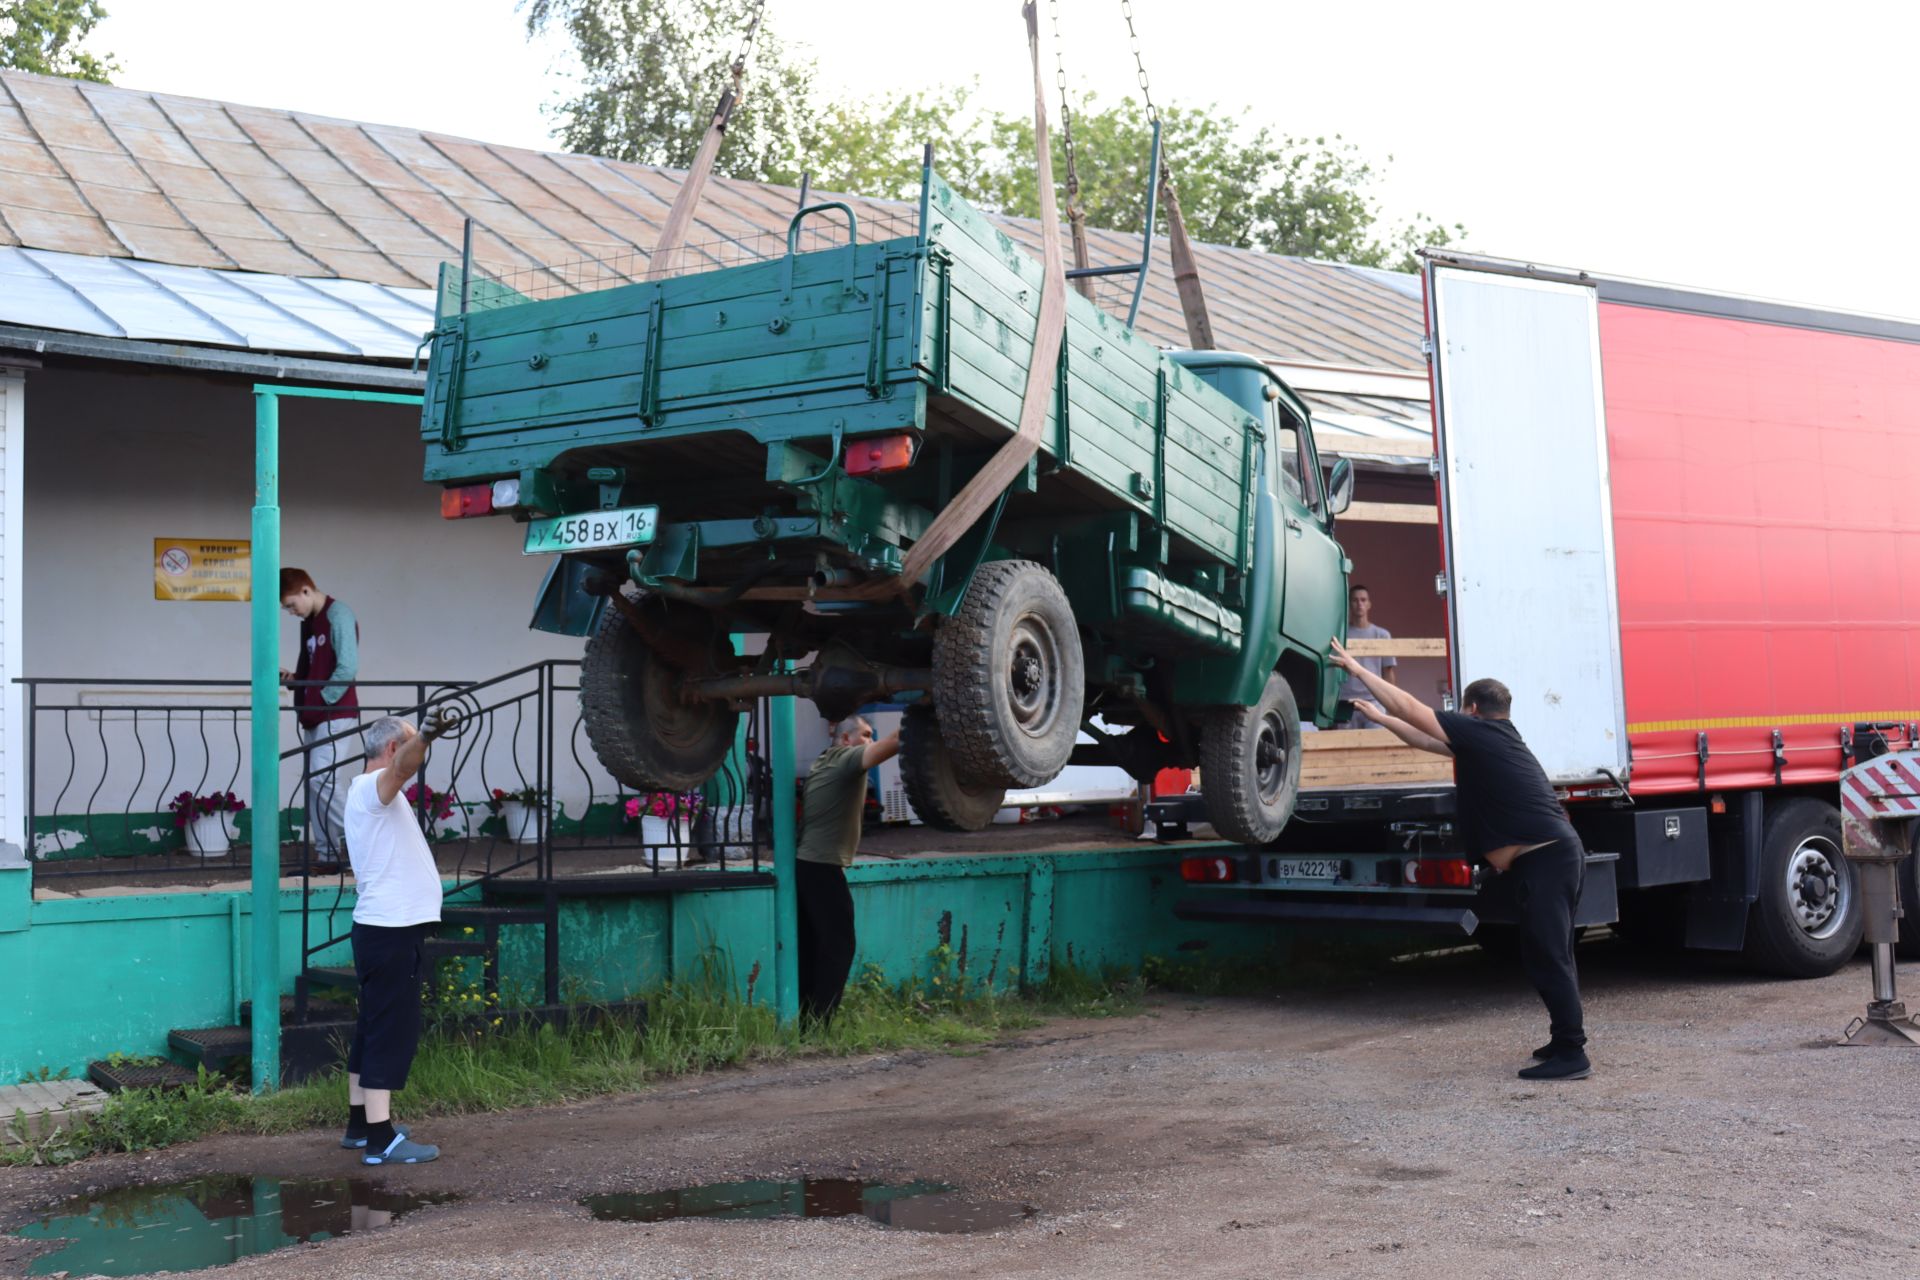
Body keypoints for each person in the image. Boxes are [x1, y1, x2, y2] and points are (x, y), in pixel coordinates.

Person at [1329, 638, 1592, 1082]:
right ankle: (1563, 1039)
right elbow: (1422, 737)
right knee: (1545, 953)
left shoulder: (1479, 733)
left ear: (1470, 709)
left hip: (1549, 860)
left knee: (1549, 955)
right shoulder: (1491, 738)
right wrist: (1379, 717)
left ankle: (1573, 1052)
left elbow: (1416, 710)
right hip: (1548, 859)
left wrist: (1359, 668)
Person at [342, 712, 451, 1164]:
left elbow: (403, 768)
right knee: (390, 1031)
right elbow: (404, 767)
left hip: (381, 929)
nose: (419, 755)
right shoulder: (374, 787)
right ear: (392, 749)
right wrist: (424, 733)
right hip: (389, 931)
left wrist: (421, 737)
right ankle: (381, 1138)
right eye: (409, 746)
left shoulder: (366, 791)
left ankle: (359, 1125)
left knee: (371, 1028)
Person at [795, 714, 901, 1026]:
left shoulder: (825, 761)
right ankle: (819, 1022)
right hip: (820, 867)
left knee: (814, 945)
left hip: (810, 866)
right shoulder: (846, 759)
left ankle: (806, 1020)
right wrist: (930, 703)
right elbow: (894, 742)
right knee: (839, 946)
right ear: (845, 739)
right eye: (865, 735)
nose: (869, 740)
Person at [281, 569, 360, 873]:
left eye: (291, 605)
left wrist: (320, 699)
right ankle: (328, 856)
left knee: (322, 780)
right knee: (317, 784)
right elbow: (320, 670)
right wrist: (297, 681)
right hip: (317, 713)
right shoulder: (311, 622)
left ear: (305, 590)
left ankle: (363, 840)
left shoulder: (337, 613)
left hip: (334, 712)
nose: (291, 612)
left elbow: (347, 668)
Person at [1337, 585, 1398, 728]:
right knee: (1345, 748)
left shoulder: (1382, 635)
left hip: (1375, 700)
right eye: (1355, 600)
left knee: (1378, 745)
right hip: (1345, 702)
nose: (1359, 604)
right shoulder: (1341, 634)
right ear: (1349, 604)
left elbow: (1388, 673)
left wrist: (1391, 705)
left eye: (1363, 600)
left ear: (1369, 604)